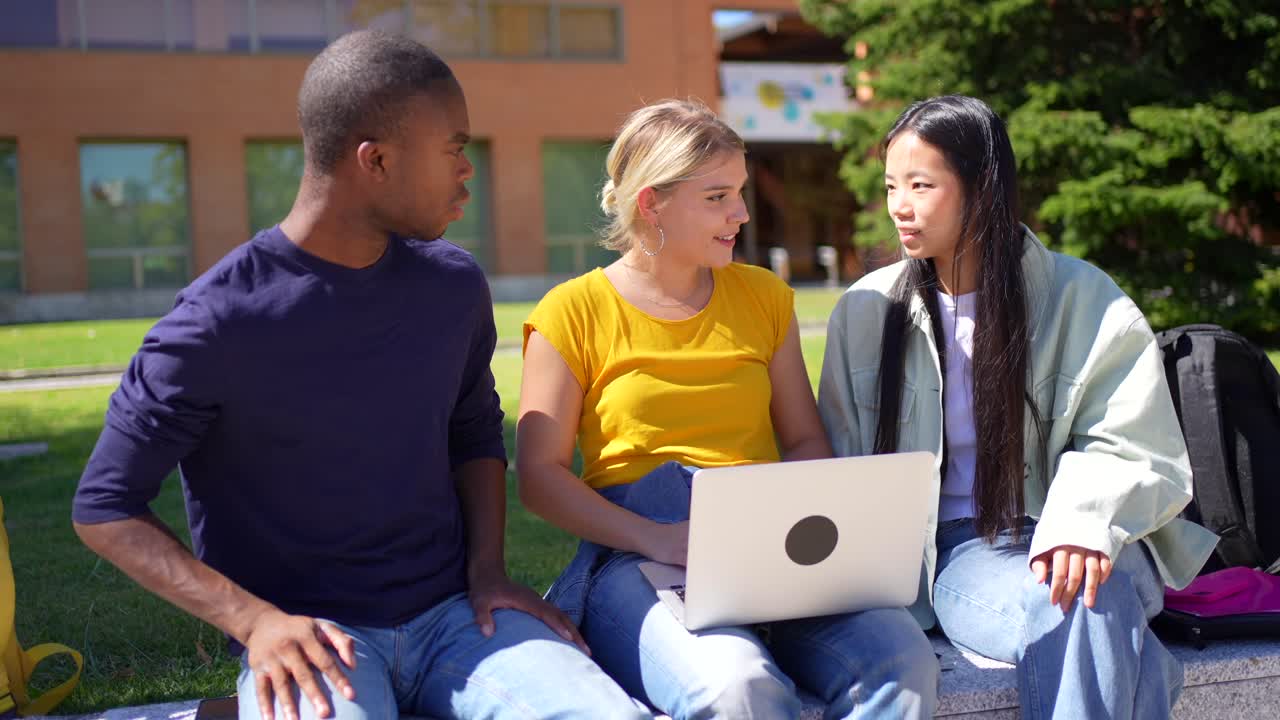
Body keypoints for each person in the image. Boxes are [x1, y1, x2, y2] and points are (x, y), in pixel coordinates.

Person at [71, 30, 649, 720]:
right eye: (454, 150)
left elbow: (473, 436)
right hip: (311, 638)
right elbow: (105, 507)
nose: (470, 171)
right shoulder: (217, 320)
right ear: (375, 160)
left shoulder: (453, 286)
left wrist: (488, 570)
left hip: (460, 620)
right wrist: (254, 623)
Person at [517, 99, 938, 720]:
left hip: (767, 545)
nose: (741, 213)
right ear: (650, 203)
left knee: (902, 664)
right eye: (717, 197)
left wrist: (805, 539)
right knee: (736, 686)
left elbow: (801, 442)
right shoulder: (572, 311)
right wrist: (658, 538)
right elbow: (538, 476)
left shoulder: (765, 297)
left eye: (739, 192)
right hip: (639, 556)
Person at [818, 94, 1219, 718]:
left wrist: (1081, 523)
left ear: (982, 190)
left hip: (1095, 536)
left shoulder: (1081, 295)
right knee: (1088, 609)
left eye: (921, 185)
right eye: (891, 184)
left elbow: (1133, 441)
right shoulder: (870, 310)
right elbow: (838, 459)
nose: (899, 205)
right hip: (961, 551)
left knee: (1085, 585)